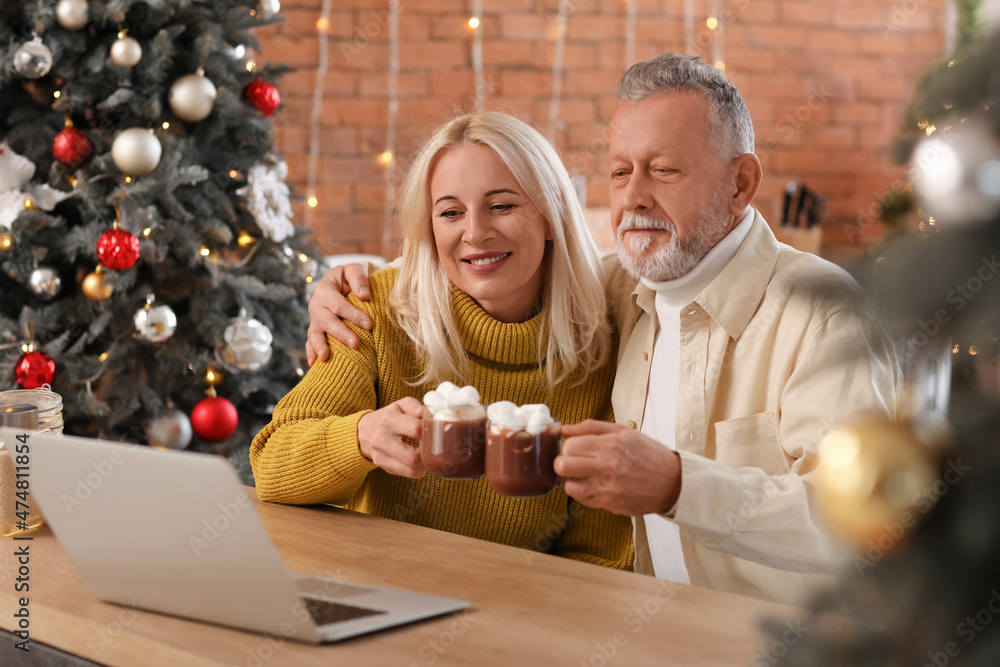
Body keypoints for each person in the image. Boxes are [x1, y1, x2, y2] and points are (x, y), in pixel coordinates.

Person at [307, 53, 900, 607]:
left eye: (664, 170)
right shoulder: (613, 289)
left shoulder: (823, 310)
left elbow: (863, 523)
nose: (634, 198)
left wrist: (676, 484)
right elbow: (488, 259)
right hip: (632, 627)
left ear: (740, 184)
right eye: (620, 172)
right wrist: (352, 282)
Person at [251, 111, 634, 571]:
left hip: (515, 614)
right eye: (451, 212)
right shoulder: (376, 311)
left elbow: (598, 556)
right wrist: (360, 438)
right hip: (377, 595)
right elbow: (272, 465)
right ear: (431, 228)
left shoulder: (604, 349)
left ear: (551, 216)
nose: (475, 233)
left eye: (502, 205)